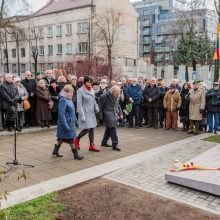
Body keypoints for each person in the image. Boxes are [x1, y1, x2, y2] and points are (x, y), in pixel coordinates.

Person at [53, 84, 84, 160]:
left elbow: (72, 113)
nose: (71, 93)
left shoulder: (69, 99)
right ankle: (76, 154)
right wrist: (65, 126)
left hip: (70, 123)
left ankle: (55, 151)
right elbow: (61, 114)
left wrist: (76, 121)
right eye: (70, 92)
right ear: (66, 92)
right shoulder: (63, 100)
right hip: (65, 123)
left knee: (62, 138)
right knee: (70, 139)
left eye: (72, 92)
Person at [74, 76, 100, 152]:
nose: (90, 83)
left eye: (91, 82)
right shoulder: (80, 91)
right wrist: (82, 115)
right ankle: (77, 139)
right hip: (84, 111)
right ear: (85, 82)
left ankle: (92, 145)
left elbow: (93, 100)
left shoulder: (92, 89)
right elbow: (79, 104)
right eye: (89, 82)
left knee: (92, 128)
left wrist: (96, 106)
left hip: (91, 111)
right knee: (87, 128)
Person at [99, 86, 122, 151]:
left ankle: (104, 142)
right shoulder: (104, 96)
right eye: (116, 93)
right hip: (108, 114)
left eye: (118, 93)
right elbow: (100, 106)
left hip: (115, 113)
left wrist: (120, 113)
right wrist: (100, 116)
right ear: (112, 91)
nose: (118, 94)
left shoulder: (117, 95)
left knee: (109, 129)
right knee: (113, 129)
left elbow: (118, 105)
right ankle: (115, 144)